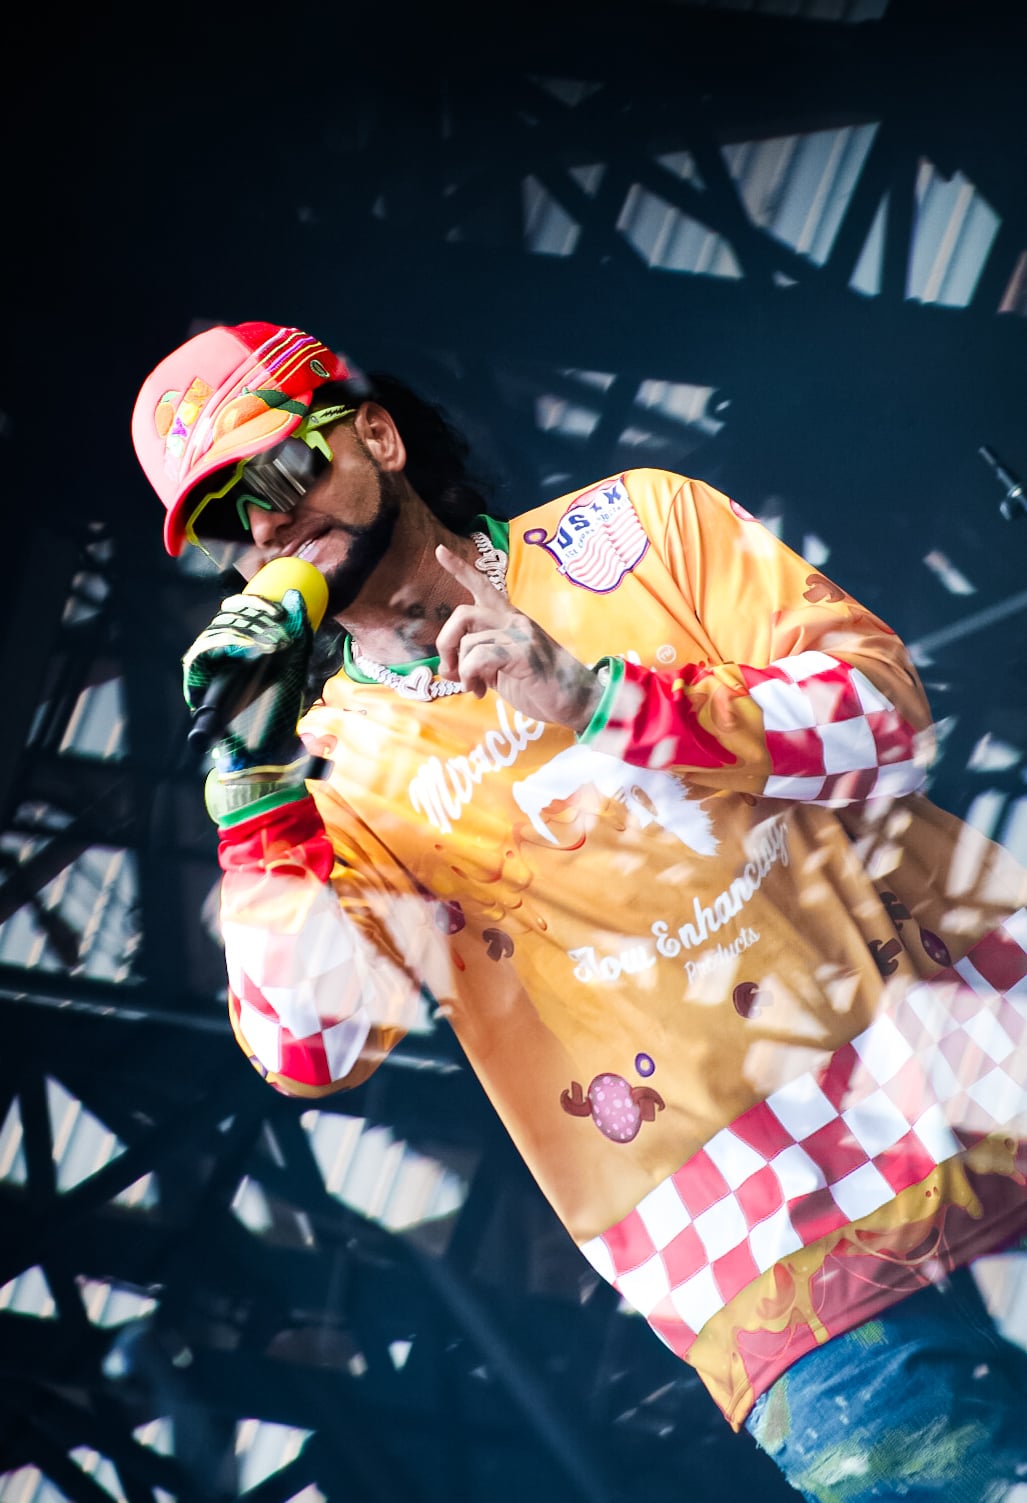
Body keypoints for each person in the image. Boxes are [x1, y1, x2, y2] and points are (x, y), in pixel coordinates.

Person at [132, 321, 1027, 1501]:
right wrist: (253, 801)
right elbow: (315, 1052)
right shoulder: (331, 781)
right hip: (772, 1251)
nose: (266, 525)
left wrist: (595, 696)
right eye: (222, 522)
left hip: (981, 1058)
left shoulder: (636, 527)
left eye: (279, 471)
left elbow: (885, 720)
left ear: (378, 436)